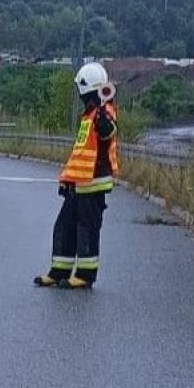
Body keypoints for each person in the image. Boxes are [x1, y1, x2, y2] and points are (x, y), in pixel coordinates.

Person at [35, 62, 119, 289]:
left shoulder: (104, 112)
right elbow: (80, 154)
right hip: (79, 185)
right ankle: (59, 271)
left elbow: (108, 131)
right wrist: (68, 181)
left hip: (93, 185)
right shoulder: (88, 115)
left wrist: (104, 123)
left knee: (87, 230)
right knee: (64, 226)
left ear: (86, 88)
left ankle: (85, 275)